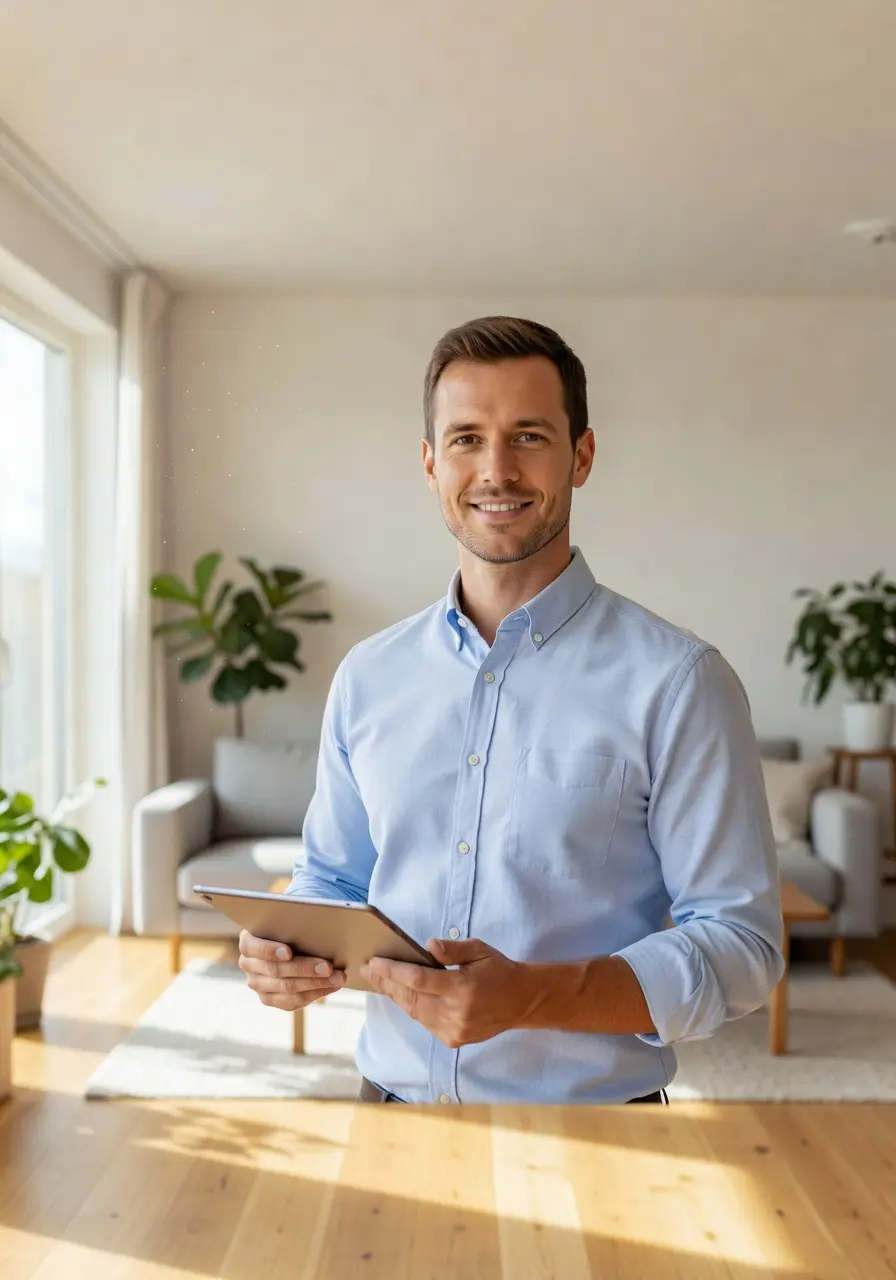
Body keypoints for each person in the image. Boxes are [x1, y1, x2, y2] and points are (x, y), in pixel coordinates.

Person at [238, 316, 785, 1105]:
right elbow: (332, 876)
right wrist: (287, 948)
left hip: (599, 1136)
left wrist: (534, 994)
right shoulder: (368, 677)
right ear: (431, 464)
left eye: (528, 436)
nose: (496, 469)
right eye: (466, 439)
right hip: (387, 1113)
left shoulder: (680, 682)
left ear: (582, 456)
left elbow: (742, 947)